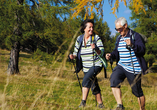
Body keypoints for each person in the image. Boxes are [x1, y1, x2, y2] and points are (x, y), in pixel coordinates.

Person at [105, 17, 147, 110]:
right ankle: (120, 106)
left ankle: (142, 109)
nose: (118, 31)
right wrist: (110, 55)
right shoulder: (119, 38)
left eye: (120, 29)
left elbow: (142, 50)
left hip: (134, 68)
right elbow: (116, 51)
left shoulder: (135, 36)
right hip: (121, 66)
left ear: (125, 26)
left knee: (137, 91)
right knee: (114, 81)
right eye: (116, 29)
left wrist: (132, 45)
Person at [69, 19, 105, 108]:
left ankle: (83, 102)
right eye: (90, 27)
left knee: (86, 79)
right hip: (85, 66)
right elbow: (76, 51)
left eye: (92, 27)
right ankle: (100, 104)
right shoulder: (79, 38)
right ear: (84, 29)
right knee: (93, 84)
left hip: (96, 64)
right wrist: (72, 56)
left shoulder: (96, 38)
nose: (91, 29)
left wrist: (96, 48)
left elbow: (102, 52)